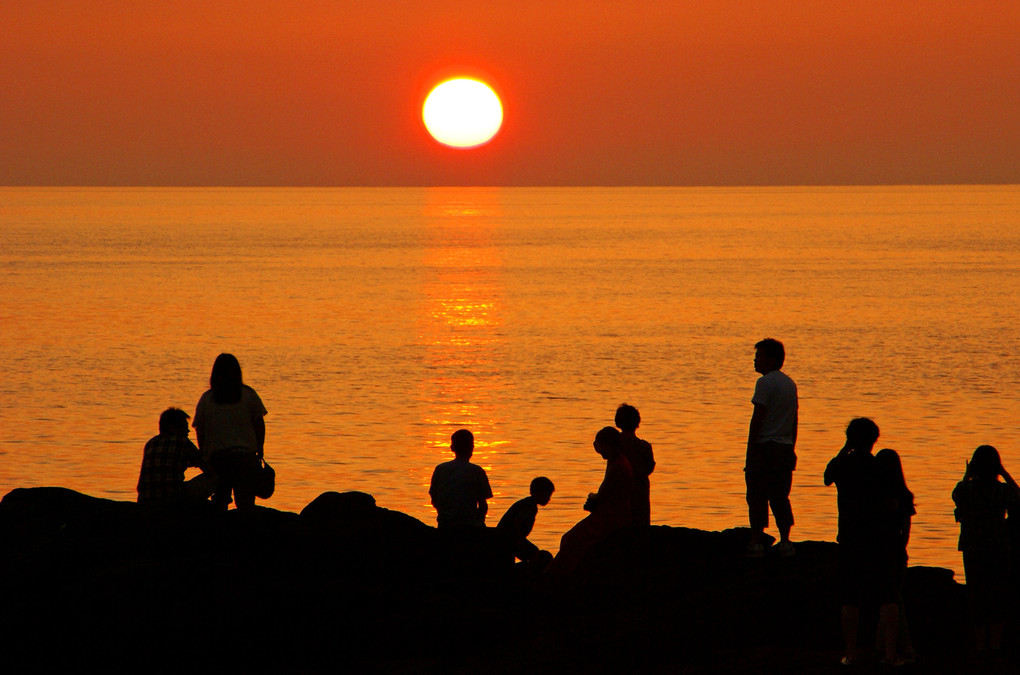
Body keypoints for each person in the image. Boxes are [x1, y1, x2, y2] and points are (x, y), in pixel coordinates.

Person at [824, 417, 887, 666]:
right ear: (873, 441)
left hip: (849, 536)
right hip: (875, 537)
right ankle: (875, 647)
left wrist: (844, 448)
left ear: (851, 439)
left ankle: (851, 651)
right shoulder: (878, 466)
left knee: (850, 596)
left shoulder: (844, 464)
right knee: (875, 595)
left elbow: (827, 478)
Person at [952, 445, 1020, 663]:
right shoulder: (1001, 490)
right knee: (997, 594)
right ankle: (996, 644)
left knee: (977, 593)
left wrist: (967, 474)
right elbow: (1018, 496)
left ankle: (980, 645)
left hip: (973, 546)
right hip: (999, 545)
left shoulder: (966, 489)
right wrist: (1004, 472)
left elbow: (957, 494)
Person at [546, 427, 633, 577]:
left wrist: (593, 498)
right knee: (570, 539)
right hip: (611, 513)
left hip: (612, 517)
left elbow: (606, 494)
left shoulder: (618, 466)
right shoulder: (616, 461)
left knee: (571, 539)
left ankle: (559, 575)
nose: (600, 454)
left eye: (601, 448)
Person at [193, 353, 267, 512]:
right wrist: (260, 448)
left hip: (218, 458)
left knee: (220, 502)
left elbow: (199, 428)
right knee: (246, 503)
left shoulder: (207, 399)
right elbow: (259, 424)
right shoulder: (248, 395)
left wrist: (204, 452)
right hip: (245, 457)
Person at [744, 338, 798, 557]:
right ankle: (785, 540)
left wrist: (751, 450)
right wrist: (792, 447)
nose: (755, 361)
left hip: (765, 447)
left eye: (759, 356)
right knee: (780, 495)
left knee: (757, 495)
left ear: (772, 359)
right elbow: (794, 420)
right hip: (784, 448)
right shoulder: (789, 384)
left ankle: (757, 541)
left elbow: (758, 418)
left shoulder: (765, 383)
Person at [873, 448, 917, 665]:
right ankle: (898, 646)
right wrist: (900, 547)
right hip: (897, 551)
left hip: (876, 550)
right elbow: (906, 531)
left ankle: (893, 647)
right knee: (894, 598)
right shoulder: (904, 495)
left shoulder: (872, 494)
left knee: (888, 600)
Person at [137, 407, 216, 504]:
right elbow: (207, 468)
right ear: (172, 428)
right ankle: (220, 504)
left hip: (145, 499)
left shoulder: (151, 443)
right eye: (184, 427)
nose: (188, 431)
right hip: (174, 498)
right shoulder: (182, 442)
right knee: (219, 474)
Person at [429, 429, 493, 530]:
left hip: (445, 525)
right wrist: (479, 523)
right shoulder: (477, 471)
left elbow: (434, 499)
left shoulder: (440, 469)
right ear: (472, 448)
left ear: (452, 448)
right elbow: (483, 506)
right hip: (470, 525)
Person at [497, 476, 555, 568]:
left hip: (509, 538)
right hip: (508, 539)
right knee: (538, 556)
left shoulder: (528, 503)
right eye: (547, 495)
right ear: (538, 493)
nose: (549, 499)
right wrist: (520, 539)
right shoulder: (529, 506)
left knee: (534, 554)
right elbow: (518, 521)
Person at [615, 404, 655, 526]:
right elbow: (649, 468)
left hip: (621, 490)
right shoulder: (645, 446)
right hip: (640, 491)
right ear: (637, 422)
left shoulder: (616, 444)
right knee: (640, 525)